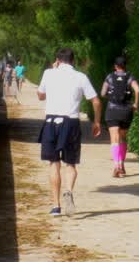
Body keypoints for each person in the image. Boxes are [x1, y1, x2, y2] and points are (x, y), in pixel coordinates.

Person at [37, 48, 102, 216]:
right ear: (73, 61)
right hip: (71, 122)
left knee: (54, 164)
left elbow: (40, 96)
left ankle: (55, 206)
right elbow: (96, 101)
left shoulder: (48, 73)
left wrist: (53, 69)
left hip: (51, 122)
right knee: (70, 163)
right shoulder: (81, 77)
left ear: (57, 60)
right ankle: (68, 191)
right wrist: (96, 122)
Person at [100, 55, 139, 177]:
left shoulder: (110, 77)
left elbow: (102, 93)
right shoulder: (130, 77)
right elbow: (137, 90)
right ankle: (122, 166)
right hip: (126, 111)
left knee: (114, 139)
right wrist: (135, 104)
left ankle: (117, 166)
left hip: (112, 110)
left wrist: (110, 97)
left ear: (115, 66)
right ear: (125, 66)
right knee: (122, 138)